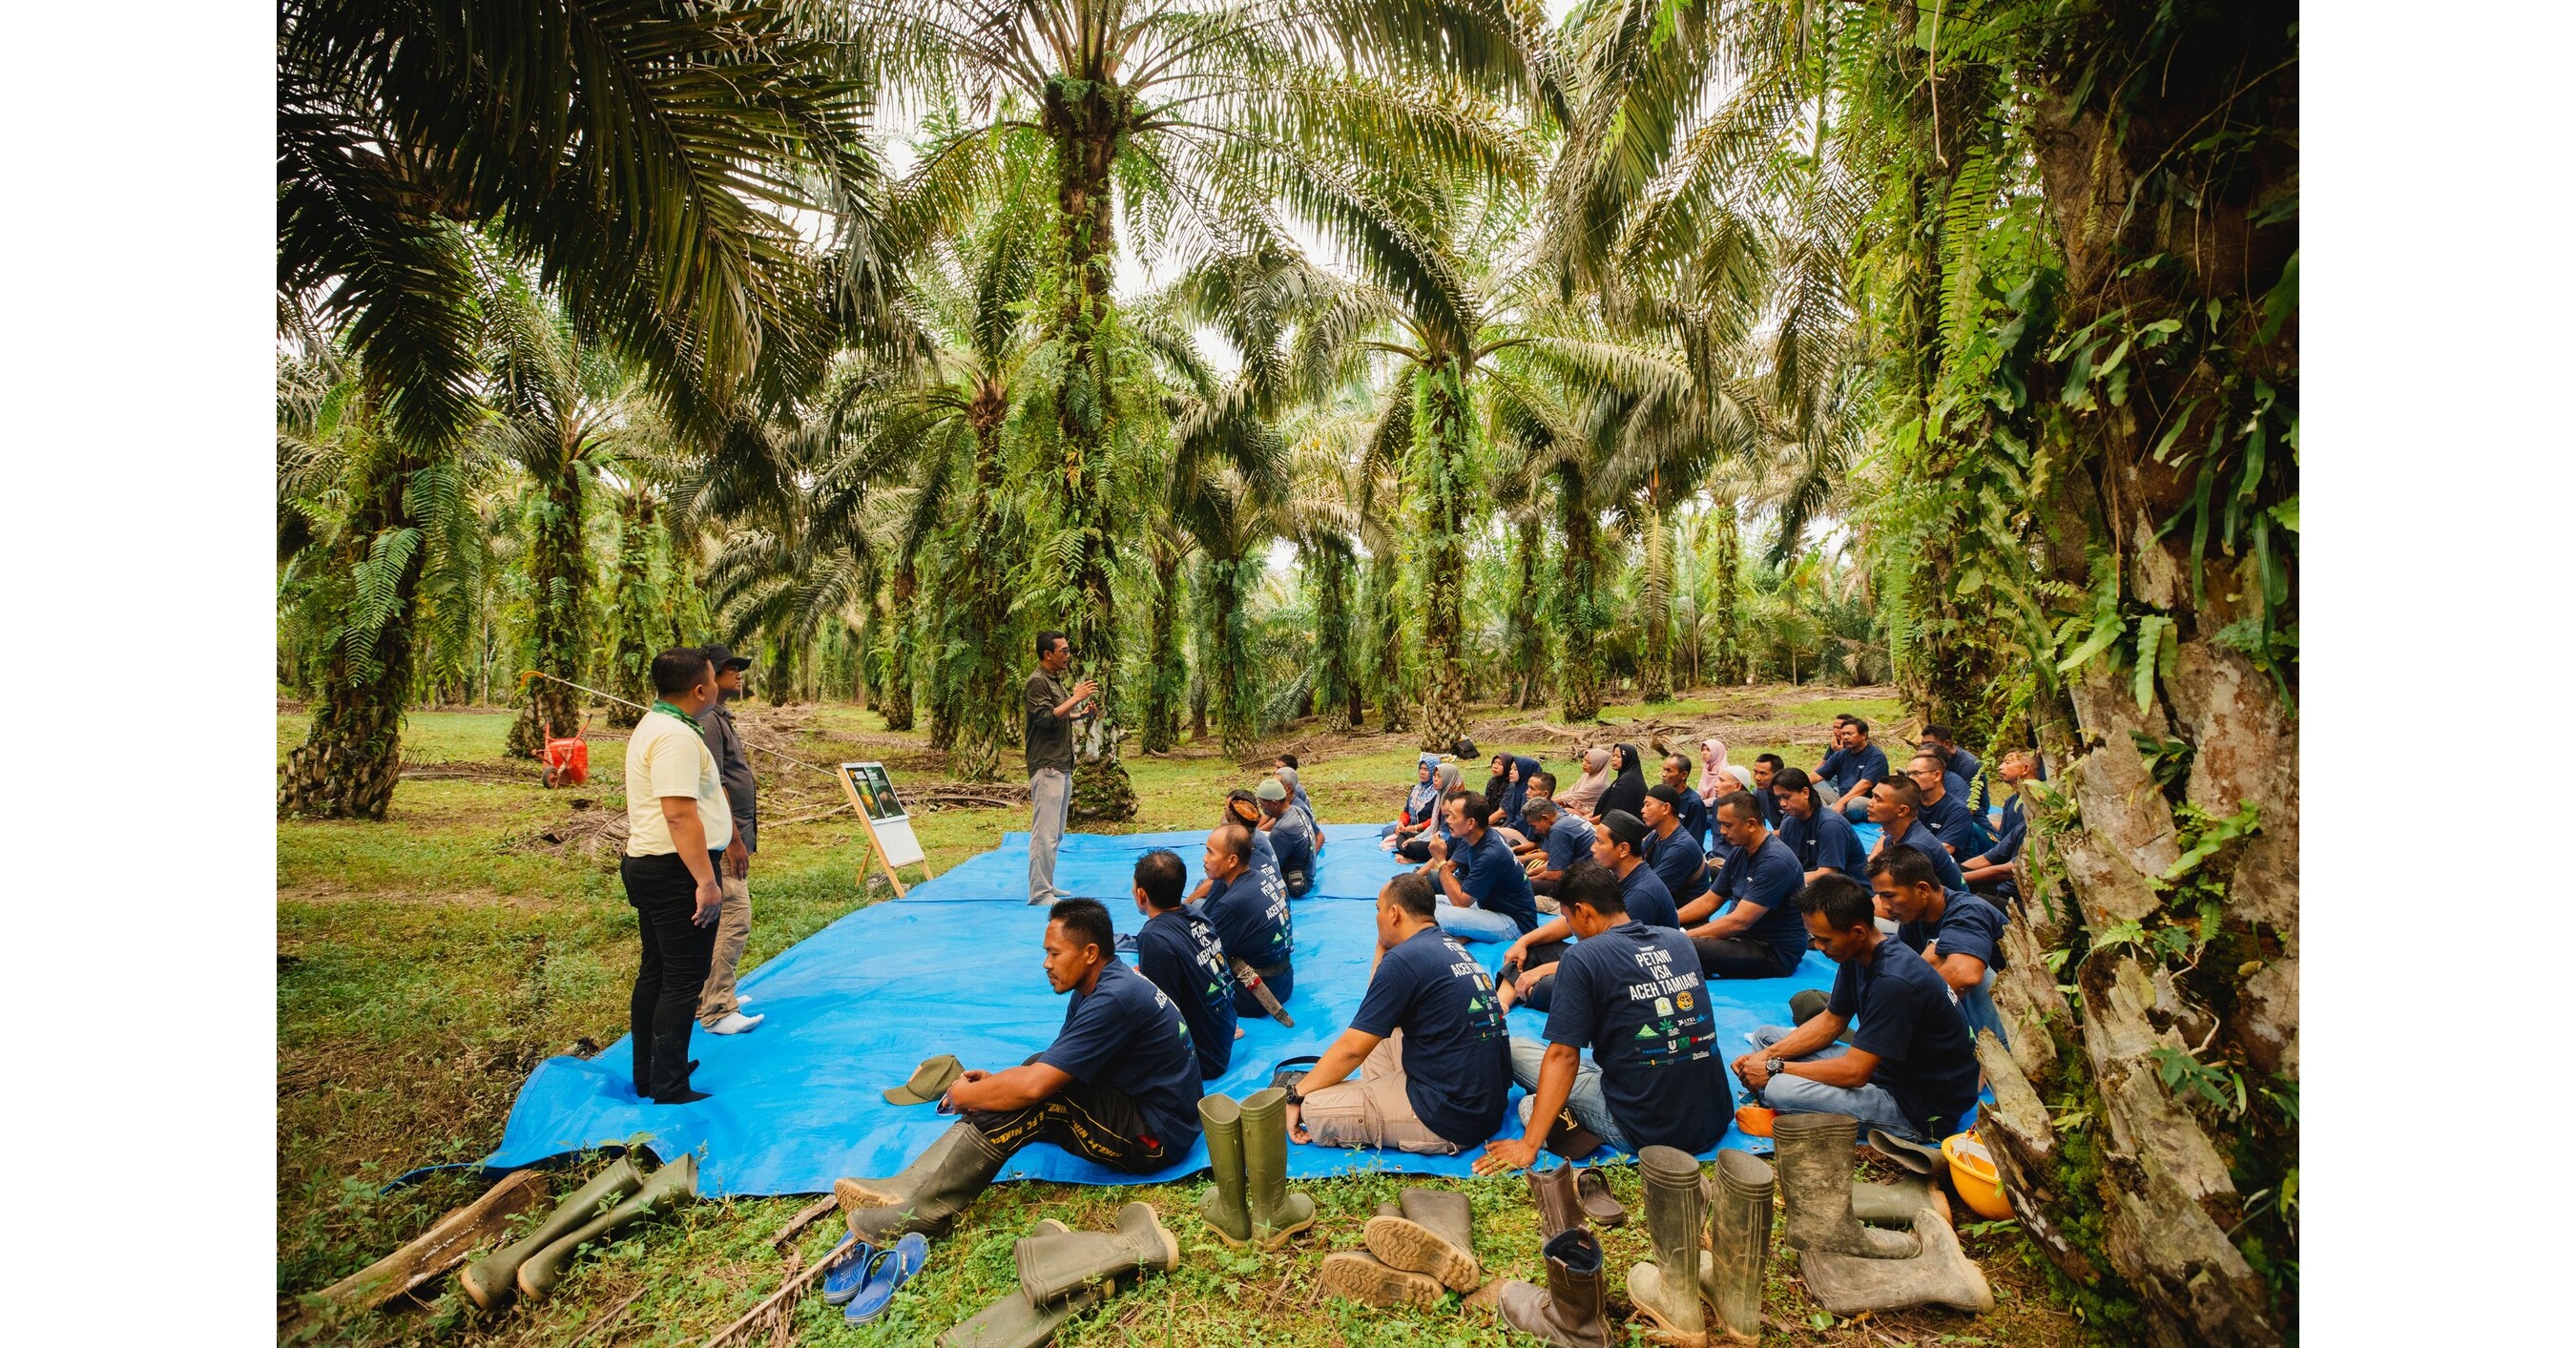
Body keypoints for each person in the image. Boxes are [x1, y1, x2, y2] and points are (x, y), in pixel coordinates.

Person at [835, 899, 1203, 1244]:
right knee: (1033, 1065)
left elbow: (1035, 1089)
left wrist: (966, 1095)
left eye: (1054, 953)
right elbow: (1051, 1065)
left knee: (1038, 1099)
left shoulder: (1113, 999)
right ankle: (908, 1183)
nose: (1046, 963)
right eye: (1046, 952)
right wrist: (996, 1087)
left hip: (1157, 1138)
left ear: (1090, 953)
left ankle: (926, 1214)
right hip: (1144, 1106)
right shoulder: (1096, 985)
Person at [1476, 860, 1727, 1170]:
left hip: (1650, 1128)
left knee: (1520, 1074)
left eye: (1568, 920)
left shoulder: (1583, 957)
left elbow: (1563, 1057)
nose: (1570, 929)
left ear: (1583, 911)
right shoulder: (1678, 940)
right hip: (1712, 1116)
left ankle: (1573, 1133)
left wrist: (1528, 1145)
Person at [1729, 875, 1979, 1143]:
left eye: (1825, 940)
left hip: (1917, 1108)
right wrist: (1765, 1057)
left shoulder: (1895, 981)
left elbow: (1855, 1073)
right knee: (1766, 1036)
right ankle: (1788, 1105)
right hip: (1882, 1071)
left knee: (1780, 1087)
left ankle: (1785, 1114)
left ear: (1857, 932)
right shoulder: (1856, 953)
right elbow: (1831, 1021)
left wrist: (1774, 1068)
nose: (1818, 948)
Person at [1284, 873, 1512, 1154]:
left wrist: (1298, 1095)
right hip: (1482, 1103)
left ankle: (1377, 1106)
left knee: (1314, 1107)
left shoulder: (1405, 960)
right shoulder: (1446, 944)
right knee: (1380, 1030)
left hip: (1448, 1117)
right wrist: (1384, 944)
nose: (1377, 916)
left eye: (1378, 909)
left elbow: (1352, 1050)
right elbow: (1373, 1010)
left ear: (1394, 914)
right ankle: (1376, 1099)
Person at [620, 648, 734, 1104]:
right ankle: (669, 1086)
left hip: (654, 865)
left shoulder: (658, 725)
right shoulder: (676, 737)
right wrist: (706, 882)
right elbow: (679, 815)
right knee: (683, 978)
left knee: (658, 970)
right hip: (674, 871)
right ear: (700, 689)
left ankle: (652, 1071)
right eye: (713, 680)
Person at [1492, 816, 1678, 1013]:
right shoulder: (1615, 875)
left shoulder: (1642, 894)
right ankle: (1500, 1005)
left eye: (1599, 842)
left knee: (1552, 986)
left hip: (1631, 975)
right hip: (1601, 954)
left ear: (1623, 849)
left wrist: (1539, 972)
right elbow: (1571, 922)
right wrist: (1524, 941)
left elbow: (1609, 956)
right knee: (1532, 950)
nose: (1592, 848)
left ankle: (1526, 990)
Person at [1870, 846, 2011, 1047]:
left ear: (1923, 890)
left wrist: (1901, 1014)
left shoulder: (1968, 911)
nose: (1884, 906)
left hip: (2010, 1027)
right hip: (1963, 1014)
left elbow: (1966, 976)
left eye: (1889, 896)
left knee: (1940, 950)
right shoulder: (1914, 916)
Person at [693, 644, 764, 1037]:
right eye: (731, 668)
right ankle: (718, 1009)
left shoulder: (720, 716)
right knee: (734, 919)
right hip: (723, 842)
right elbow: (713, 784)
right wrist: (734, 841)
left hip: (730, 836)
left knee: (722, 921)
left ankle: (712, 994)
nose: (739, 673)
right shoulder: (708, 723)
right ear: (709, 677)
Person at [1674, 791, 1810, 981]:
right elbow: (1709, 901)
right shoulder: (1740, 851)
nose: (1722, 831)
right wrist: (1670, 920)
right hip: (1739, 936)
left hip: (1772, 951)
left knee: (1685, 945)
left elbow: (1739, 921)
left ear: (1752, 824)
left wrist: (1682, 937)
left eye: (1728, 825)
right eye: (1720, 824)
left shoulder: (1775, 861)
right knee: (1675, 929)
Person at [1131, 850, 1237, 1079]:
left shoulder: (1153, 937)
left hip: (1202, 1059)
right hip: (1223, 1036)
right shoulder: (1195, 913)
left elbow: (1161, 1013)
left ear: (1141, 894)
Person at [1024, 631, 1098, 905]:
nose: (1068, 655)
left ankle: (1048, 885)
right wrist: (1076, 697)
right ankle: (1039, 893)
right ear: (1048, 655)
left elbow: (1060, 715)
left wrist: (1080, 713)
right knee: (1044, 832)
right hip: (1047, 766)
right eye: (1063, 651)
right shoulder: (1037, 682)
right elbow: (1044, 718)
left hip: (1062, 764)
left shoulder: (1054, 681)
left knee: (1056, 832)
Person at [1197, 824, 1295, 1015]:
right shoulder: (1259, 877)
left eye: (1210, 852)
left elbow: (1205, 956)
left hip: (1254, 997)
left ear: (1232, 860)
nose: (1204, 858)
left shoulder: (1232, 904)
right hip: (1284, 983)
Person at [1429, 790, 1541, 944]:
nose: (1447, 820)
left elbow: (1461, 903)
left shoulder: (1490, 854)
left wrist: (1440, 861)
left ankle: (1466, 933)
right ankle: (1468, 933)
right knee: (1431, 902)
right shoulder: (1481, 836)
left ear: (1470, 823)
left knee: (1444, 916)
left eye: (1452, 816)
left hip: (1514, 924)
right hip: (1487, 907)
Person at [1865, 775, 1968, 891]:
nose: (1870, 803)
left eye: (1878, 799)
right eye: (1872, 796)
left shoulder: (1915, 848)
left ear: (1902, 810)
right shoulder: (1891, 838)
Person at [1961, 750, 2039, 900]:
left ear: (2025, 769)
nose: (2000, 767)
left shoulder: (2037, 808)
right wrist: (1954, 872)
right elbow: (1996, 853)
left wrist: (1960, 879)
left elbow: (2010, 869)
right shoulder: (2011, 801)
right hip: (2002, 877)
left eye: (2007, 763)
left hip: (2017, 889)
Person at [1772, 766, 1868, 883]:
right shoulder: (1788, 823)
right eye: (1779, 798)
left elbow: (1827, 873)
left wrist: (1785, 882)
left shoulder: (1830, 825)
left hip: (1847, 893)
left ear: (1805, 793)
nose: (1782, 804)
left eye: (1786, 797)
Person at [1906, 752, 1989, 858]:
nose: (1910, 778)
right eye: (1908, 774)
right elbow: (1888, 836)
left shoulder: (1957, 810)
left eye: (1916, 773)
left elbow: (1944, 850)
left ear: (1937, 775)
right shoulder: (1910, 802)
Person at [1640, 783, 1710, 906]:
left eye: (1647, 805)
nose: (1642, 810)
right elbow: (1634, 859)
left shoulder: (1682, 847)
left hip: (1681, 916)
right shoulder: (1656, 835)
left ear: (1666, 808)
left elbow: (1650, 890)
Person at [1815, 716, 1891, 821]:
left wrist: (1841, 802)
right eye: (1843, 734)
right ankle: (1829, 813)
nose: (1845, 737)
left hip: (1866, 799)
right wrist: (1795, 785)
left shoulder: (1876, 756)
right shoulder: (1841, 754)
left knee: (1855, 804)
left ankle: (1822, 814)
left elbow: (1866, 784)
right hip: (1841, 796)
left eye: (1850, 734)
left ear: (1864, 735)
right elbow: (1818, 775)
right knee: (1811, 788)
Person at [1516, 797, 1594, 897]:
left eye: (1534, 826)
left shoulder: (1558, 830)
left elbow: (1555, 874)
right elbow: (1557, 862)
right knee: (1530, 865)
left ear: (1545, 818)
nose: (1535, 831)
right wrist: (1531, 872)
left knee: (1522, 885)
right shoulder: (1567, 818)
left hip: (1589, 881)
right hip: (1589, 870)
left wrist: (1528, 879)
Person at [1257, 778, 1319, 897]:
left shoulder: (1281, 831)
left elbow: (1270, 868)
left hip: (1297, 885)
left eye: (1262, 805)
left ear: (1274, 803)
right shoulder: (1297, 810)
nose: (1261, 809)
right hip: (1309, 873)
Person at [1396, 762, 1464, 862]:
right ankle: (1411, 854)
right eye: (1434, 776)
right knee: (1403, 837)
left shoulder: (1454, 801)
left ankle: (1414, 857)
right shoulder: (1440, 794)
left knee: (1412, 846)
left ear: (1448, 778)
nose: (1435, 779)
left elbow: (1446, 834)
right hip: (1434, 834)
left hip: (1446, 841)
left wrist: (1418, 839)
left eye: (1439, 776)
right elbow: (1433, 826)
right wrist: (1416, 837)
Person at [1922, 724, 1986, 812]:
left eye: (1930, 744)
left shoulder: (1969, 764)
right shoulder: (1934, 758)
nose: (1925, 748)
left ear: (1946, 744)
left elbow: (1965, 800)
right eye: (1923, 744)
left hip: (1971, 810)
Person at [1385, 754, 1444, 844]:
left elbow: (1436, 820)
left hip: (1427, 830)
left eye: (1426, 769)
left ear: (1434, 772)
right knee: (1386, 831)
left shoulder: (1437, 792)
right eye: (1421, 768)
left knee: (1405, 841)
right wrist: (1401, 823)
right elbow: (1406, 811)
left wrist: (1415, 828)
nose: (1422, 772)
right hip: (1411, 826)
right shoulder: (1416, 790)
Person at [1657, 754, 1713, 848]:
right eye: (1664, 769)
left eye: (1669, 771)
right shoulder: (1663, 795)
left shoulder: (1694, 804)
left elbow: (1694, 841)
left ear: (1683, 775)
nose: (1663, 774)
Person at [1594, 743, 1649, 821]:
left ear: (1627, 759)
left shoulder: (1628, 781)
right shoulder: (1626, 776)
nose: (1613, 759)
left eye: (1618, 756)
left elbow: (1612, 813)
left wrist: (1588, 821)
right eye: (1613, 755)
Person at [1560, 747, 1613, 818]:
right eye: (1584, 760)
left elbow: (1571, 798)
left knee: (1563, 812)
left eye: (1589, 763)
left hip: (1589, 814)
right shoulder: (1587, 775)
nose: (1584, 764)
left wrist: (1549, 801)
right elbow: (1570, 792)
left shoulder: (1598, 783)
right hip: (1579, 808)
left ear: (1599, 765)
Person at [1274, 754, 1316, 818]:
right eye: (1276, 767)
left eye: (1279, 768)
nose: (1275, 770)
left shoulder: (1294, 791)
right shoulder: (1287, 784)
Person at [1751, 754, 1787, 827]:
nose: (1757, 778)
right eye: (1755, 772)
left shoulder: (1791, 793)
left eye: (1763, 773)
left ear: (1777, 774)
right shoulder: (1758, 793)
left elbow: (1794, 829)